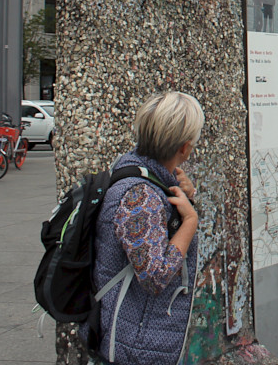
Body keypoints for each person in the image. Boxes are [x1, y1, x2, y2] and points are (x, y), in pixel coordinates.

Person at [86, 91, 201, 365]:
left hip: (139, 333)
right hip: (135, 344)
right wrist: (190, 222)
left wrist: (186, 198)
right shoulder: (140, 196)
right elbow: (155, 276)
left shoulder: (141, 174)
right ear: (184, 148)